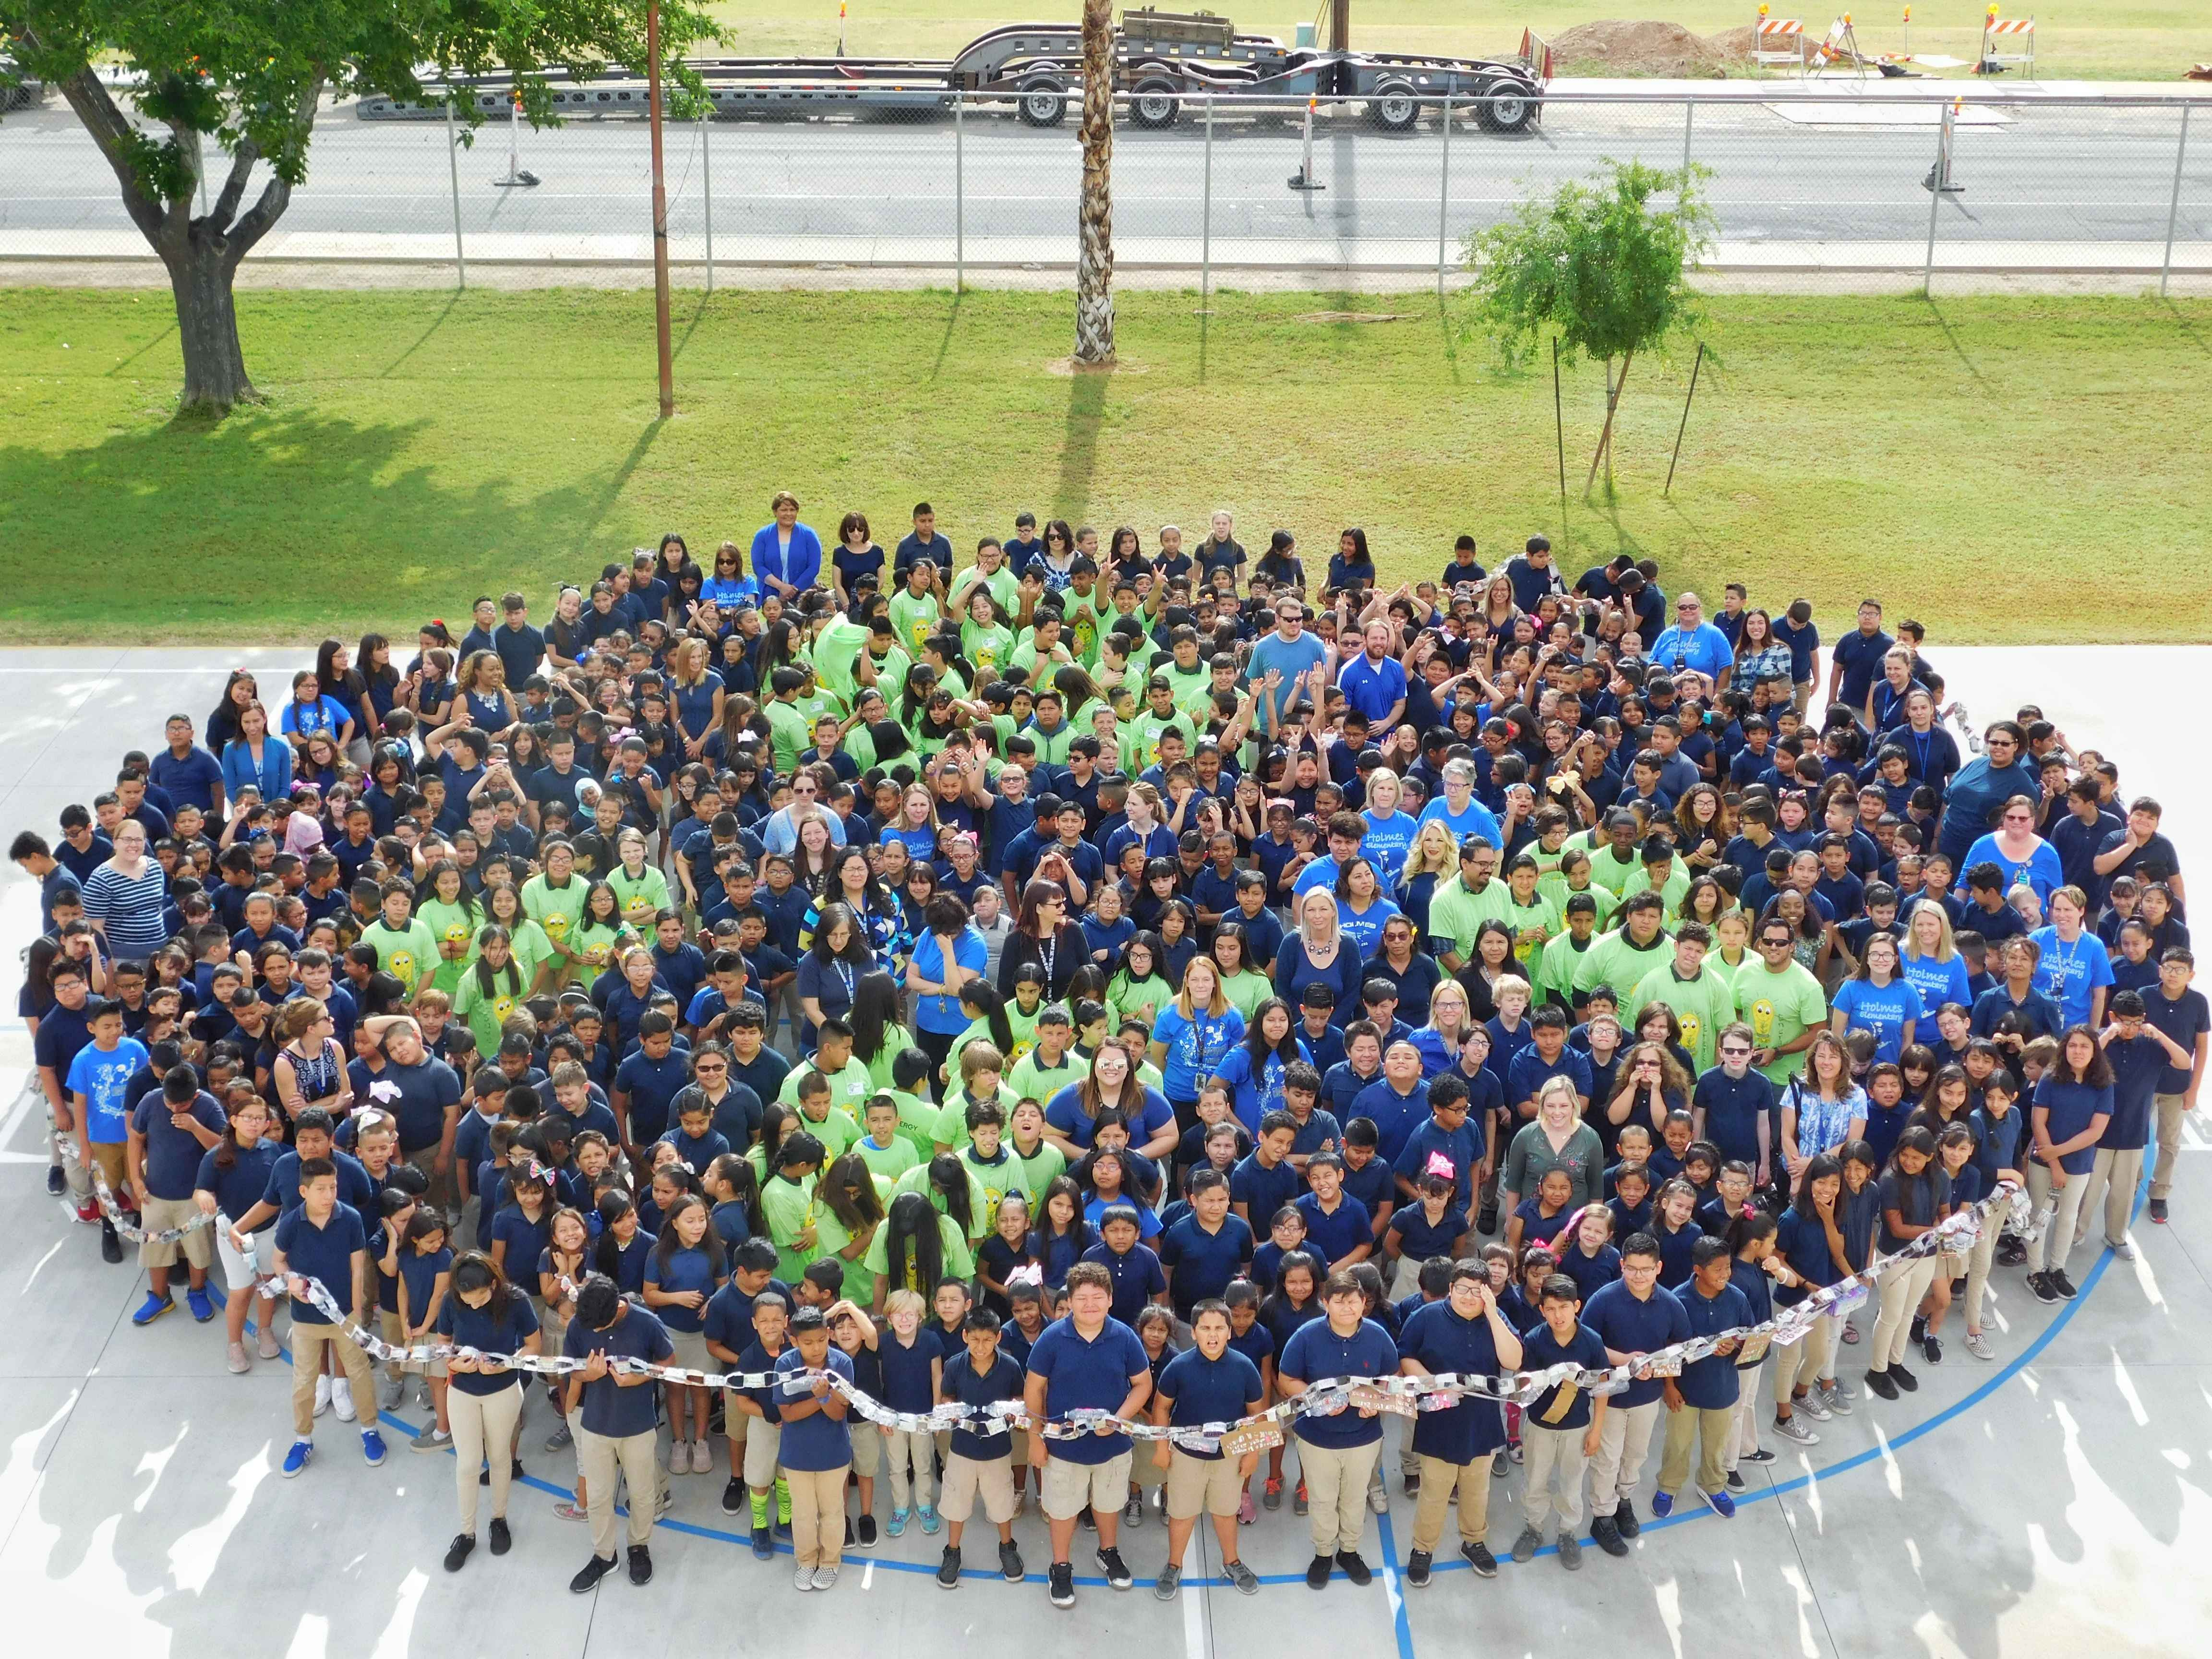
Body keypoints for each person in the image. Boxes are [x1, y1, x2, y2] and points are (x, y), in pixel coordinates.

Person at [1025, 1260, 1153, 1608]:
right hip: (1063, 1450)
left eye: (1098, 1297)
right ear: (1069, 1300)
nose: (1090, 1305)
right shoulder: (1052, 1338)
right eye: (1082, 1298)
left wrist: (1117, 1419)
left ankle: (1108, 1552)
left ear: (1111, 1299)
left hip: (1112, 1447)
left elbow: (1143, 1385)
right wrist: (1035, 1438)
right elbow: (1034, 1390)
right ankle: (1061, 1566)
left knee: (1109, 1504)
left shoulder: (1125, 1337)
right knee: (1063, 1510)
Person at [1397, 1259, 1524, 1583]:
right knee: (1434, 1492)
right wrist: (1434, 1383)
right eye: (1463, 1289)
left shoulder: (1496, 1319)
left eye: (1478, 1292)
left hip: (1482, 1422)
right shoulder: (1425, 1318)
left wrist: (1494, 1314)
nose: (1470, 1297)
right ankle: (1423, 1549)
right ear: (1451, 1289)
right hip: (1439, 1420)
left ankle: (1474, 1541)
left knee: (1477, 1490)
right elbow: (1406, 1356)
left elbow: (1513, 1359)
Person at [1275, 1267, 1400, 1589]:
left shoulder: (1377, 1336)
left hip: (1364, 1438)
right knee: (1322, 1499)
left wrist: (1380, 1397)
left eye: (1355, 1301)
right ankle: (1323, 1553)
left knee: (1355, 1498)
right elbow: (1287, 1379)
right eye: (1340, 1301)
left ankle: (1349, 1551)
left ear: (1364, 1303)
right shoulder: (1306, 1337)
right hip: (1317, 1439)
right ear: (1325, 1303)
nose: (1348, 1308)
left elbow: (1391, 1374)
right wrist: (1315, 1401)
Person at [272, 1156, 385, 1478]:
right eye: (321, 1189)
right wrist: (289, 1282)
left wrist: (355, 1317)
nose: (328, 1194)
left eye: (333, 1187)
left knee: (360, 1373)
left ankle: (369, 1430)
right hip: (305, 1318)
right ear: (304, 1191)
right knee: (304, 1380)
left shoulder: (350, 1219)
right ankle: (303, 1439)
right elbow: (278, 1261)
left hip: (345, 1317)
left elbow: (357, 1268)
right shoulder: (292, 1223)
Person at [562, 1273, 676, 1592]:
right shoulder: (582, 1321)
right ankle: (604, 1555)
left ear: (619, 1309)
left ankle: (638, 1547)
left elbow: (668, 1361)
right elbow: (570, 1366)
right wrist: (588, 1374)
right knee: (598, 1496)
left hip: (638, 1426)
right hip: (595, 1425)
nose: (595, 1331)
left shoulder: (646, 1323)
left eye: (601, 1326)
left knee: (641, 1494)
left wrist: (639, 1378)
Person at [1150, 1299, 1266, 1599]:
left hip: (1228, 1456)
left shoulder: (1245, 1368)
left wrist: (1252, 1453)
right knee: (1182, 1513)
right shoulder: (1178, 1367)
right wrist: (1163, 1446)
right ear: (1194, 1333)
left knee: (1226, 1512)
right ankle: (1174, 1565)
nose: (1212, 1335)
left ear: (1230, 1332)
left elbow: (1256, 1413)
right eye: (1205, 1328)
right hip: (1186, 1455)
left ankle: (1232, 1562)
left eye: (1219, 1328)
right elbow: (1161, 1407)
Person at [435, 1251, 541, 1572]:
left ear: (494, 1285)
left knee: (499, 1458)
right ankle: (467, 1533)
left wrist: (506, 1364)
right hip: (462, 1390)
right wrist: (451, 1363)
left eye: (480, 1297)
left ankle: (499, 1518)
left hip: (503, 1390)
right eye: (468, 1300)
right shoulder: (451, 1301)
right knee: (467, 1463)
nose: (475, 1305)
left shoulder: (517, 1302)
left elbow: (534, 1345)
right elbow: (443, 1343)